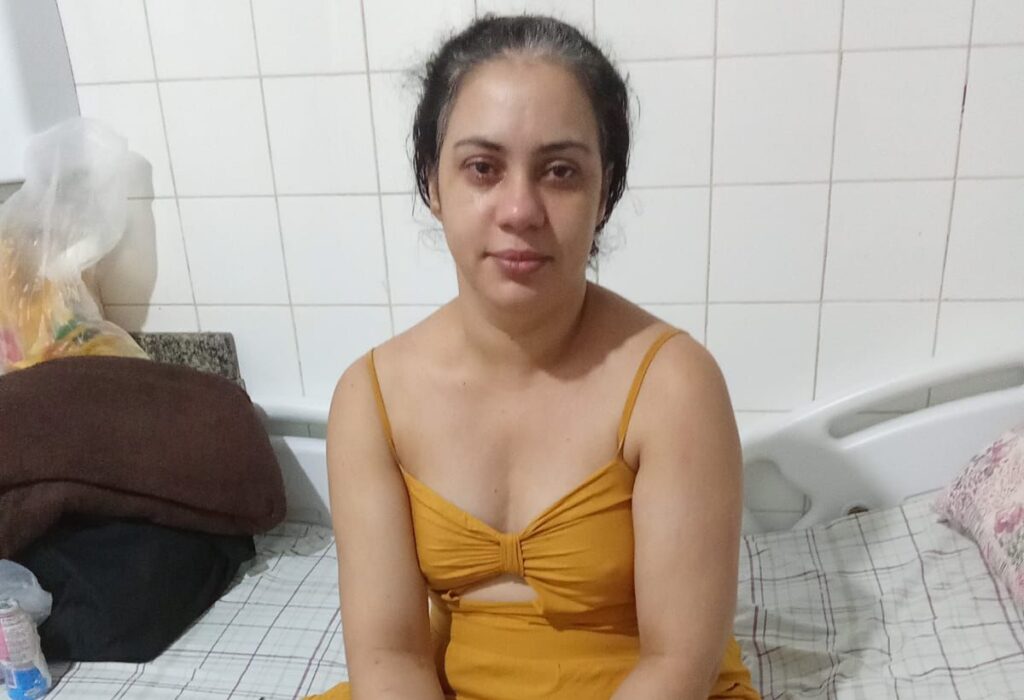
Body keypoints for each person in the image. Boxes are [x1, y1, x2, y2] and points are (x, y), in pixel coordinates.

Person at [310, 14, 759, 700]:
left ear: (605, 192)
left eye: (560, 171)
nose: (519, 209)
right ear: (433, 182)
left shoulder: (673, 386)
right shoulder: (372, 399)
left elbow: (677, 665)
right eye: (482, 168)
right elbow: (390, 657)